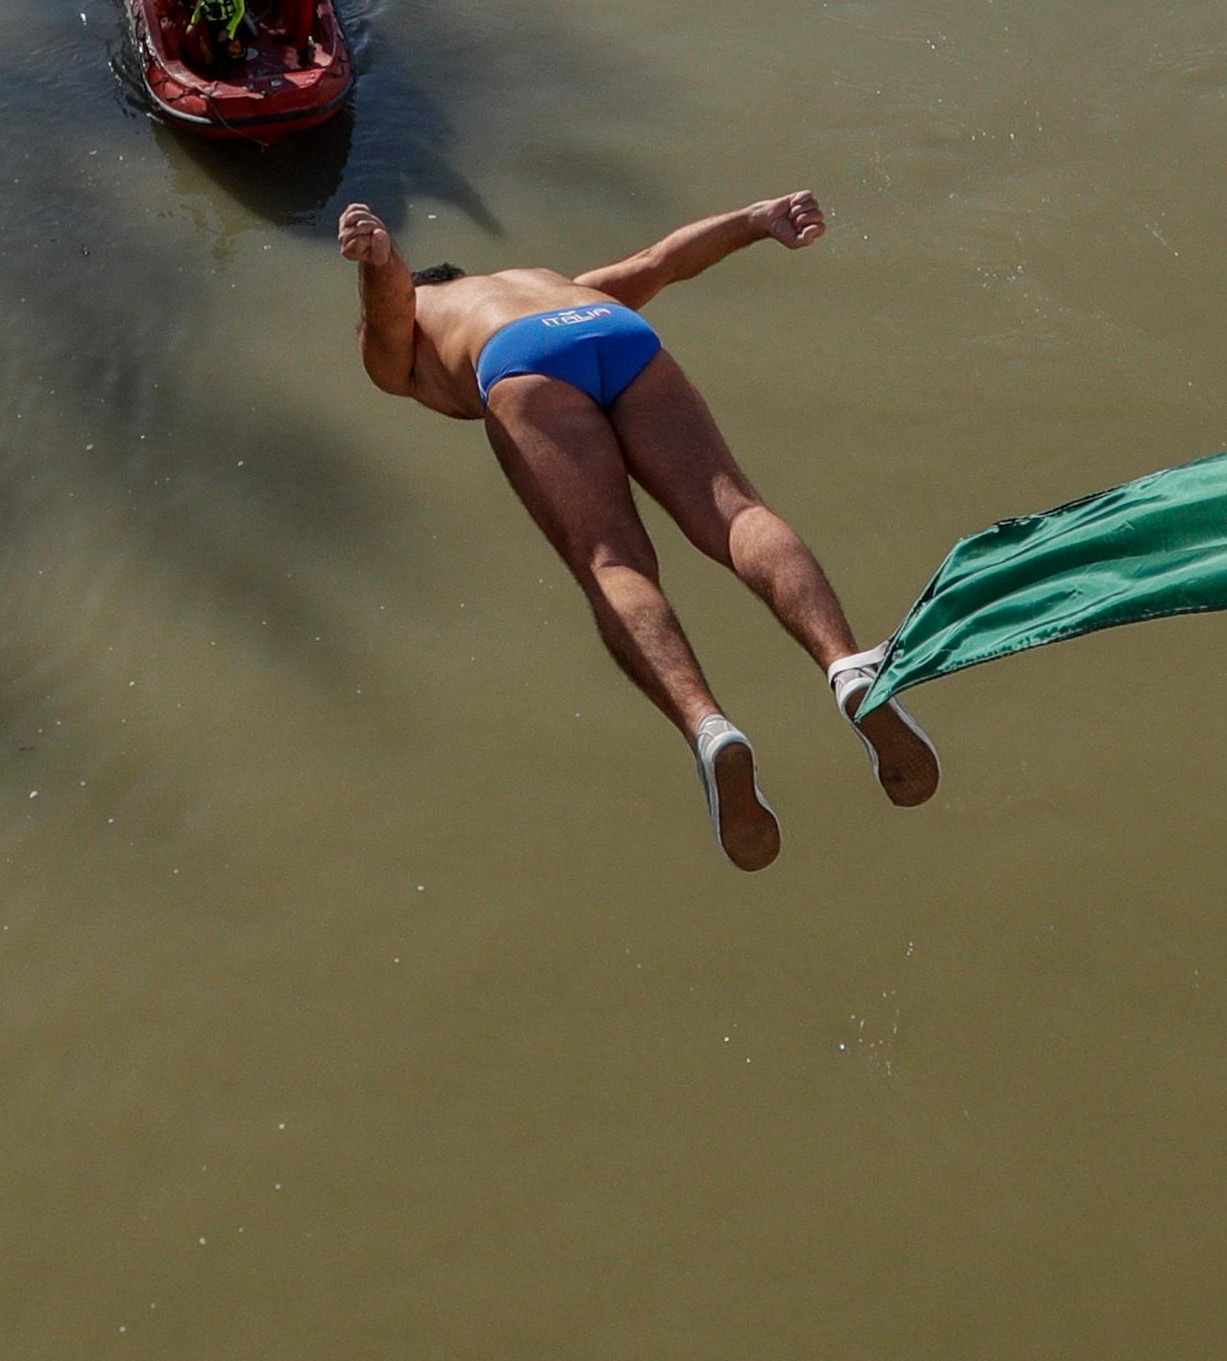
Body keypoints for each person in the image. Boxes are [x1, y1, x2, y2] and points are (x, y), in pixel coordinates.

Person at [334, 193, 935, 868]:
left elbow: (390, 315)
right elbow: (665, 260)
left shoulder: (420, 324)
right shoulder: (549, 282)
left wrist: (380, 262)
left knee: (611, 560)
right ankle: (846, 663)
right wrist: (756, 220)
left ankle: (708, 728)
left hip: (520, 358)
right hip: (612, 329)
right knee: (737, 511)